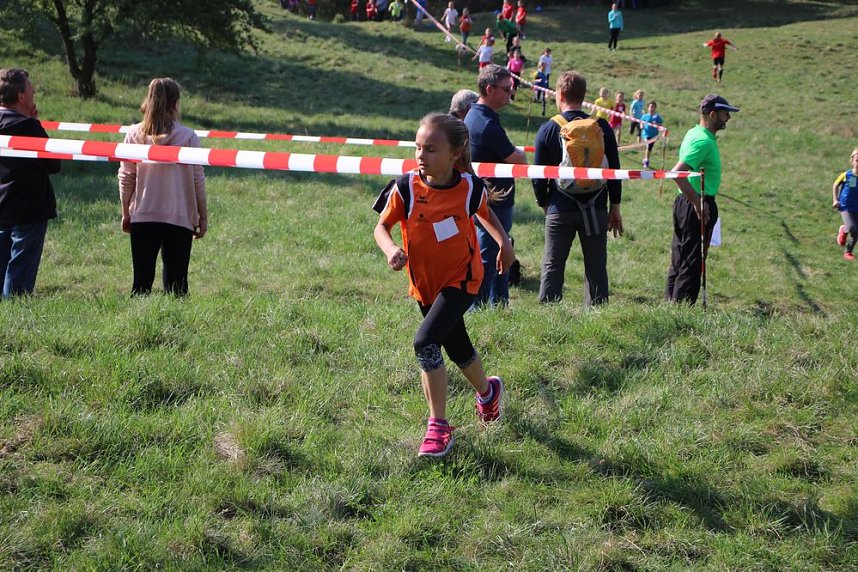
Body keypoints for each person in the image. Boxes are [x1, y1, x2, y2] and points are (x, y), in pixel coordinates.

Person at [373, 112, 514, 458]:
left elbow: (485, 213)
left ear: (455, 154)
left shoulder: (468, 188)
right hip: (425, 283)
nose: (422, 155)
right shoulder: (405, 187)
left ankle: (438, 428)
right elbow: (381, 227)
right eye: (418, 147)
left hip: (462, 279)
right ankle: (487, 392)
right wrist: (391, 249)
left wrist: (504, 243)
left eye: (431, 149)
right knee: (457, 348)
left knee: (425, 342)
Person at [532, 70, 623, 306]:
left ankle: (549, 315)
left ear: (559, 94)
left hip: (559, 207)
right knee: (596, 265)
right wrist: (615, 205)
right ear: (584, 96)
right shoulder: (601, 127)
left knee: (553, 264)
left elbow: (538, 176)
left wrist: (544, 204)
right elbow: (614, 170)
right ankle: (598, 314)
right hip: (596, 208)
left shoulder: (548, 129)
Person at [118, 78, 207, 296]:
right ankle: (177, 327)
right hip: (180, 217)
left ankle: (135, 328)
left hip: (143, 215)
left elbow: (126, 177)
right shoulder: (188, 137)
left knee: (140, 285)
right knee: (177, 287)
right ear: (176, 103)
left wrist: (125, 212)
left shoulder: (134, 135)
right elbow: (198, 180)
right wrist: (202, 217)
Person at [665, 94, 739, 304]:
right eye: (726, 114)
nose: (728, 118)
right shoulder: (702, 140)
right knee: (692, 261)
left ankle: (671, 305)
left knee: (680, 257)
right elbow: (677, 173)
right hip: (695, 204)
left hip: (686, 202)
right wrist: (698, 203)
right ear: (713, 114)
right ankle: (681, 311)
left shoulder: (695, 133)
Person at [464, 65, 528, 308]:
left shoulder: (477, 115)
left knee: (496, 252)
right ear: (490, 89)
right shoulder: (486, 124)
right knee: (491, 254)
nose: (510, 93)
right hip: (494, 200)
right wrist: (520, 153)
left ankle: (496, 305)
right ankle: (480, 308)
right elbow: (517, 159)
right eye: (506, 89)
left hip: (489, 197)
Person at [0, 69, 61, 298]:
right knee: (20, 270)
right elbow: (53, 164)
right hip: (28, 206)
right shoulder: (28, 127)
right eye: (31, 88)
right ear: (21, 96)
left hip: (2, 205)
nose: (34, 91)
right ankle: (15, 312)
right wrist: (34, 122)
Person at [832, 148, 858, 260]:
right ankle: (844, 229)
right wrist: (835, 199)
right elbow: (835, 185)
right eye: (857, 160)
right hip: (846, 206)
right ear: (852, 161)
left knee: (857, 232)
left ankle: (848, 252)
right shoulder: (847, 175)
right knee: (852, 227)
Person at [640, 101, 663, 169]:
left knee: (650, 148)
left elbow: (660, 124)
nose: (651, 108)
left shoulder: (657, 116)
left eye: (653, 107)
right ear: (648, 108)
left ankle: (646, 159)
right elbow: (641, 122)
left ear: (655, 108)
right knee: (648, 146)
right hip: (646, 134)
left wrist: (657, 124)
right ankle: (646, 160)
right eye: (650, 107)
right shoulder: (645, 116)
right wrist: (641, 126)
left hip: (654, 134)